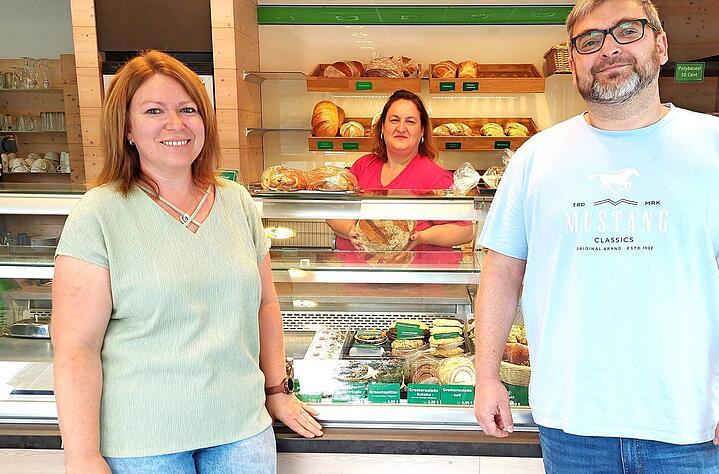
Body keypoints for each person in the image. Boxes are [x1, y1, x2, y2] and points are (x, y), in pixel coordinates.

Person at [473, 1, 719, 472]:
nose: (609, 49)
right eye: (590, 40)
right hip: (570, 425)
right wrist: (486, 377)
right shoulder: (535, 158)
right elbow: (501, 274)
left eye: (627, 31)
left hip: (686, 425)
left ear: (660, 45)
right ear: (574, 59)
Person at [51, 50, 322, 474]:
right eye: (154, 110)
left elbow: (265, 305)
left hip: (241, 431)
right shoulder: (98, 214)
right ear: (126, 127)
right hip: (143, 442)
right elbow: (76, 346)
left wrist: (276, 389)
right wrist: (81, 455)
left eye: (188, 109)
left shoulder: (238, 203)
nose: (175, 124)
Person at [327, 89, 474, 258]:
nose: (401, 128)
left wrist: (420, 237)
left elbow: (464, 231)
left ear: (422, 131)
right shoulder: (363, 166)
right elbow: (332, 212)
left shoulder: (435, 177)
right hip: (357, 277)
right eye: (394, 120)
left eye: (410, 122)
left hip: (416, 280)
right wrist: (350, 230)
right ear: (382, 127)